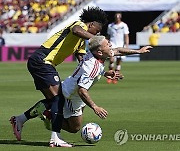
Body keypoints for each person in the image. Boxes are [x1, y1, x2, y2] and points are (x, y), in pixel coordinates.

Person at [10, 35, 152, 147]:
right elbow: (82, 91)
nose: (111, 46)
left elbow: (118, 51)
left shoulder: (95, 55)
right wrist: (95, 107)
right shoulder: (93, 66)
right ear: (100, 51)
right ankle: (48, 116)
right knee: (75, 128)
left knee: (53, 103)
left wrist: (138, 51)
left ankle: (38, 114)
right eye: (107, 44)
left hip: (68, 85)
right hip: (73, 96)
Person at [10, 6, 108, 147]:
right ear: (91, 25)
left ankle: (20, 119)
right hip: (42, 60)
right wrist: (97, 39)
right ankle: (55, 138)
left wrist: (102, 72)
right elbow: (76, 31)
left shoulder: (81, 41)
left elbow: (84, 60)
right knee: (58, 99)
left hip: (45, 64)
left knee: (55, 99)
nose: (97, 34)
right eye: (97, 31)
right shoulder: (79, 26)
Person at [106, 13, 129, 84]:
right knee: (111, 59)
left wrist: (126, 45)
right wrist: (107, 43)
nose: (117, 18)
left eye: (118, 17)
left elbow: (126, 35)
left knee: (119, 61)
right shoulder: (110, 26)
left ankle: (116, 77)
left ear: (120, 18)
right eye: (116, 17)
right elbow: (108, 35)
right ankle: (110, 75)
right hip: (112, 44)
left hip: (120, 44)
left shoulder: (124, 25)